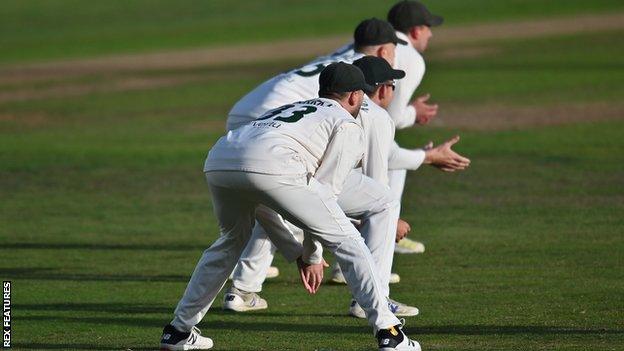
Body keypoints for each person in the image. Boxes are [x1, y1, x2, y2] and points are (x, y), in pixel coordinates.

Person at [159, 62, 421, 351]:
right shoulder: (347, 123)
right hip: (271, 162)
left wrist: (298, 253)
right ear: (355, 96)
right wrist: (312, 255)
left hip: (221, 158)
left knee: (230, 241)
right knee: (350, 242)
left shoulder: (295, 109)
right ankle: (390, 332)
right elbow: (326, 194)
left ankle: (178, 330)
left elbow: (264, 205)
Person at [386, 0, 446, 254]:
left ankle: (384, 238)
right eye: (427, 27)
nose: (431, 33)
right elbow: (392, 118)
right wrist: (413, 112)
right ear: (414, 31)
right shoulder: (410, 57)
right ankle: (381, 240)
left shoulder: (371, 42)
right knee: (394, 161)